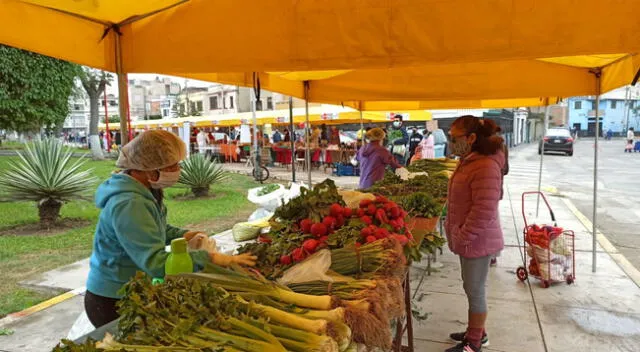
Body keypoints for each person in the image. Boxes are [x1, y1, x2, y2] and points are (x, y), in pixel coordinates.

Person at [85, 130, 256, 328]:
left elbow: (154, 229)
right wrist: (211, 259)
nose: (177, 170)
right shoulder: (129, 203)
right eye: (172, 165)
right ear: (148, 169)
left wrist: (184, 235)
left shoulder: (144, 191)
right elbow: (156, 263)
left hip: (131, 290)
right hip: (112, 299)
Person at [445, 116, 505, 352]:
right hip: (469, 238)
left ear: (471, 138)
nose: (451, 142)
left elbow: (484, 209)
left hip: (477, 240)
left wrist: (462, 235)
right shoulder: (470, 160)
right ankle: (477, 331)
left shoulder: (485, 166)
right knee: (471, 287)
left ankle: (473, 343)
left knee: (475, 290)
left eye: (454, 137)